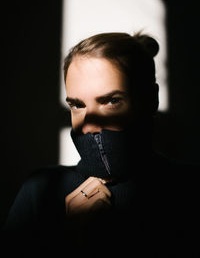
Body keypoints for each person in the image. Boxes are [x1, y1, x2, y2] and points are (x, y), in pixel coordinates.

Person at [3, 32, 200, 253]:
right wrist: (68, 241)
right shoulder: (39, 191)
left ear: (150, 99)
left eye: (111, 101)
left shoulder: (191, 190)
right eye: (77, 105)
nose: (89, 126)